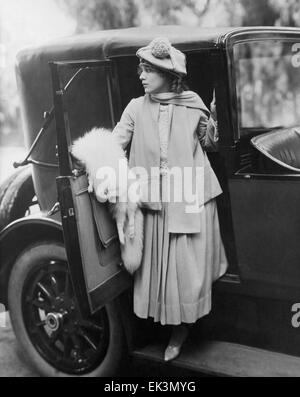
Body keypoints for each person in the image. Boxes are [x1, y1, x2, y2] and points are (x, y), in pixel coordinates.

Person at [112, 37, 228, 362]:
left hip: (188, 194)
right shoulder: (136, 107)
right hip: (154, 198)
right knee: (157, 269)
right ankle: (163, 326)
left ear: (168, 73)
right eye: (141, 69)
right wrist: (91, 154)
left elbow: (210, 144)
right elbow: (116, 140)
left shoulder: (192, 103)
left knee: (184, 269)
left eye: (148, 69)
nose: (142, 75)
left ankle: (181, 329)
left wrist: (216, 121)